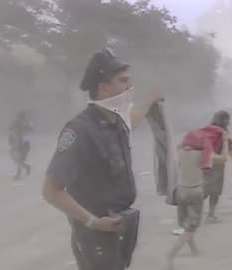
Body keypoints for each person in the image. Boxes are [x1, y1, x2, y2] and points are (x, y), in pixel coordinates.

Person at [42, 47, 161, 270]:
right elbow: (51, 191)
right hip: (95, 231)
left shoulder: (116, 122)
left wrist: (149, 102)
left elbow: (133, 120)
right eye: (123, 81)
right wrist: (92, 221)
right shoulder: (79, 130)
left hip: (120, 225)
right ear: (104, 87)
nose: (130, 88)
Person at [167, 125, 229, 270]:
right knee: (191, 228)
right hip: (195, 193)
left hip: (181, 192)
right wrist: (225, 141)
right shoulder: (204, 155)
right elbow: (224, 158)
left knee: (187, 225)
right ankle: (171, 254)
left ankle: (194, 251)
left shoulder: (181, 150)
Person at [204, 110, 232, 223]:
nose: (229, 122)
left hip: (204, 165)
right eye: (227, 119)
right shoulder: (222, 133)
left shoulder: (207, 129)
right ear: (223, 120)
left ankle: (191, 213)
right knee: (215, 192)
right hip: (217, 166)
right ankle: (210, 215)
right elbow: (231, 150)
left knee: (202, 190)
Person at [8, 110, 33, 180]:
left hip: (23, 144)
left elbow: (30, 129)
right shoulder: (18, 123)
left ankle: (18, 175)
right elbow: (10, 128)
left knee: (19, 159)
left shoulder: (22, 124)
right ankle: (27, 167)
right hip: (18, 143)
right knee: (17, 159)